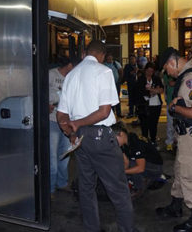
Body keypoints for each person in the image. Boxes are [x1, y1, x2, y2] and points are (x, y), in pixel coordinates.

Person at [57, 40, 135, 232]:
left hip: (80, 139)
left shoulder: (71, 75)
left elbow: (61, 115)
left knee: (86, 187)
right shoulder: (104, 71)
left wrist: (71, 132)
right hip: (99, 136)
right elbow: (103, 112)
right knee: (118, 189)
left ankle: (91, 228)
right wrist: (79, 123)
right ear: (101, 55)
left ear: (85, 53)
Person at [155, 47, 192, 232]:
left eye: (166, 69)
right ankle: (176, 206)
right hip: (190, 132)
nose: (167, 73)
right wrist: (183, 101)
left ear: (173, 62)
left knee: (190, 175)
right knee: (180, 169)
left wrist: (175, 108)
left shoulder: (189, 78)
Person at [112, 122, 164, 199]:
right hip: (146, 164)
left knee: (134, 164)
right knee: (125, 165)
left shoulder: (135, 142)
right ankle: (144, 179)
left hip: (156, 168)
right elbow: (125, 162)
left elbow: (140, 168)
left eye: (113, 139)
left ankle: (139, 189)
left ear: (121, 134)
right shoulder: (123, 144)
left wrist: (123, 172)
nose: (112, 142)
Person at [49, 56, 74, 194]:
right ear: (69, 65)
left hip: (67, 122)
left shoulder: (72, 78)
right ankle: (50, 188)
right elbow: (39, 92)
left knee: (65, 154)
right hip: (52, 121)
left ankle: (62, 183)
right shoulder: (51, 75)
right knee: (52, 157)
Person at [136, 62, 164, 146]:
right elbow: (140, 92)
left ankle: (153, 140)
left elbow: (161, 89)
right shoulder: (141, 79)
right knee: (144, 125)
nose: (149, 73)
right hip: (144, 105)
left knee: (154, 124)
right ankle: (145, 141)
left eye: (151, 71)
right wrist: (154, 90)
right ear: (145, 70)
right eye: (148, 71)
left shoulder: (156, 78)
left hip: (156, 105)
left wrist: (152, 90)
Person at [104, 53, 124, 118]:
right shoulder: (104, 65)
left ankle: (118, 113)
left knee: (117, 98)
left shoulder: (116, 64)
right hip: (108, 84)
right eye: (108, 58)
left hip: (116, 83)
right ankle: (111, 112)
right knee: (109, 98)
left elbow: (121, 71)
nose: (109, 59)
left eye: (110, 58)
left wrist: (120, 80)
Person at [163, 71, 177, 151]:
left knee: (179, 123)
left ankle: (177, 141)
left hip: (180, 102)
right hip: (170, 102)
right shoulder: (167, 74)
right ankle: (169, 142)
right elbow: (171, 83)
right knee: (170, 123)